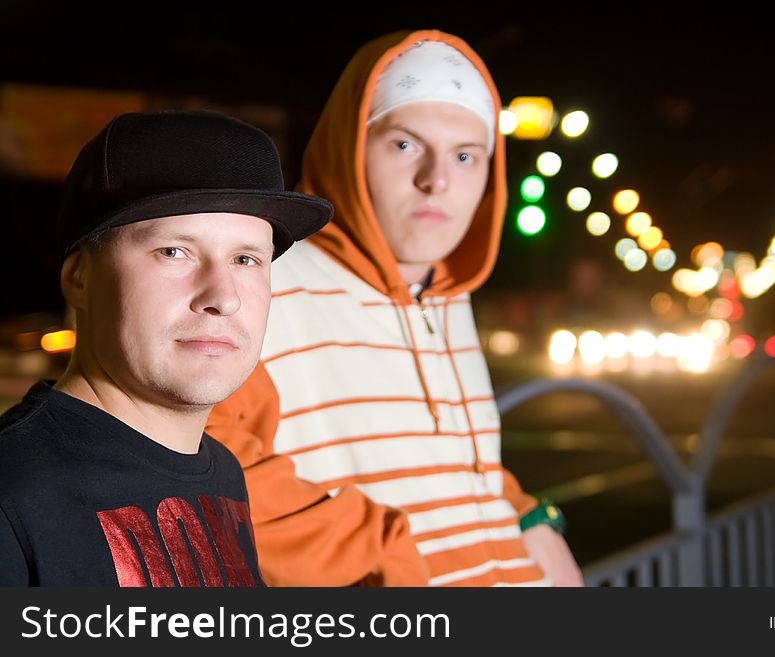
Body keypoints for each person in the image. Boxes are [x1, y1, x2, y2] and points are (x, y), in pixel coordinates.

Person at [208, 30, 583, 586]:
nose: (437, 181)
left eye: (465, 155)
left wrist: (528, 514)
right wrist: (380, 556)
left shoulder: (447, 291)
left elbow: (451, 459)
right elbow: (201, 466)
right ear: (348, 147)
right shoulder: (262, 277)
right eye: (405, 144)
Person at [0, 109, 338, 586]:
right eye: (174, 252)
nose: (222, 297)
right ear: (80, 277)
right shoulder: (15, 494)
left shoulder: (222, 473)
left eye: (246, 258)